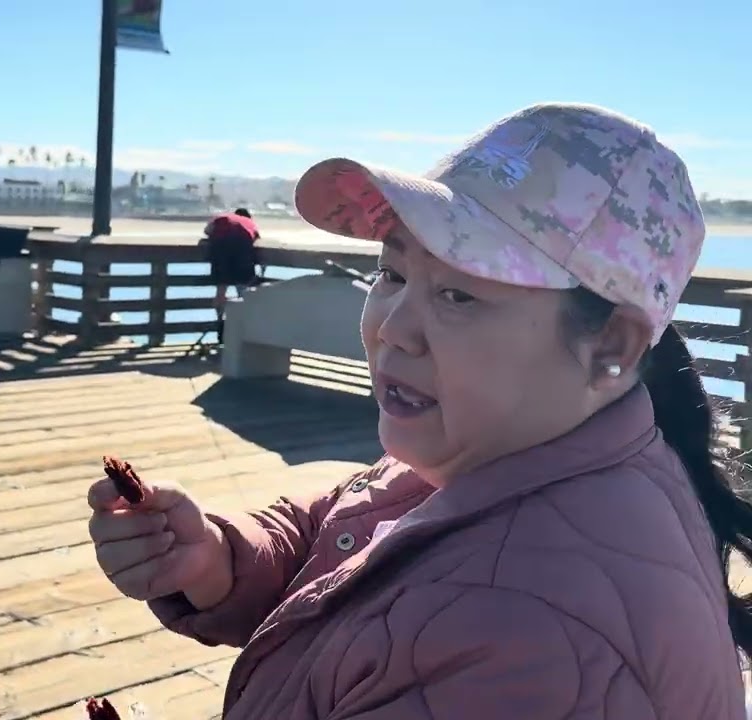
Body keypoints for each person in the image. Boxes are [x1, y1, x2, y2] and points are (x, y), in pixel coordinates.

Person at [87, 102, 749, 718]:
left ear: (611, 346)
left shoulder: (522, 633)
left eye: (459, 296)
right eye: (393, 274)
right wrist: (214, 560)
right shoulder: (499, 452)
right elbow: (345, 525)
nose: (392, 329)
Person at [202, 207, 262, 346]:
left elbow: (207, 230)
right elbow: (255, 238)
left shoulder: (222, 217)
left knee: (221, 290)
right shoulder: (250, 223)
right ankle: (244, 330)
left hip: (220, 248)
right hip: (242, 249)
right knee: (244, 292)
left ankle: (220, 325)